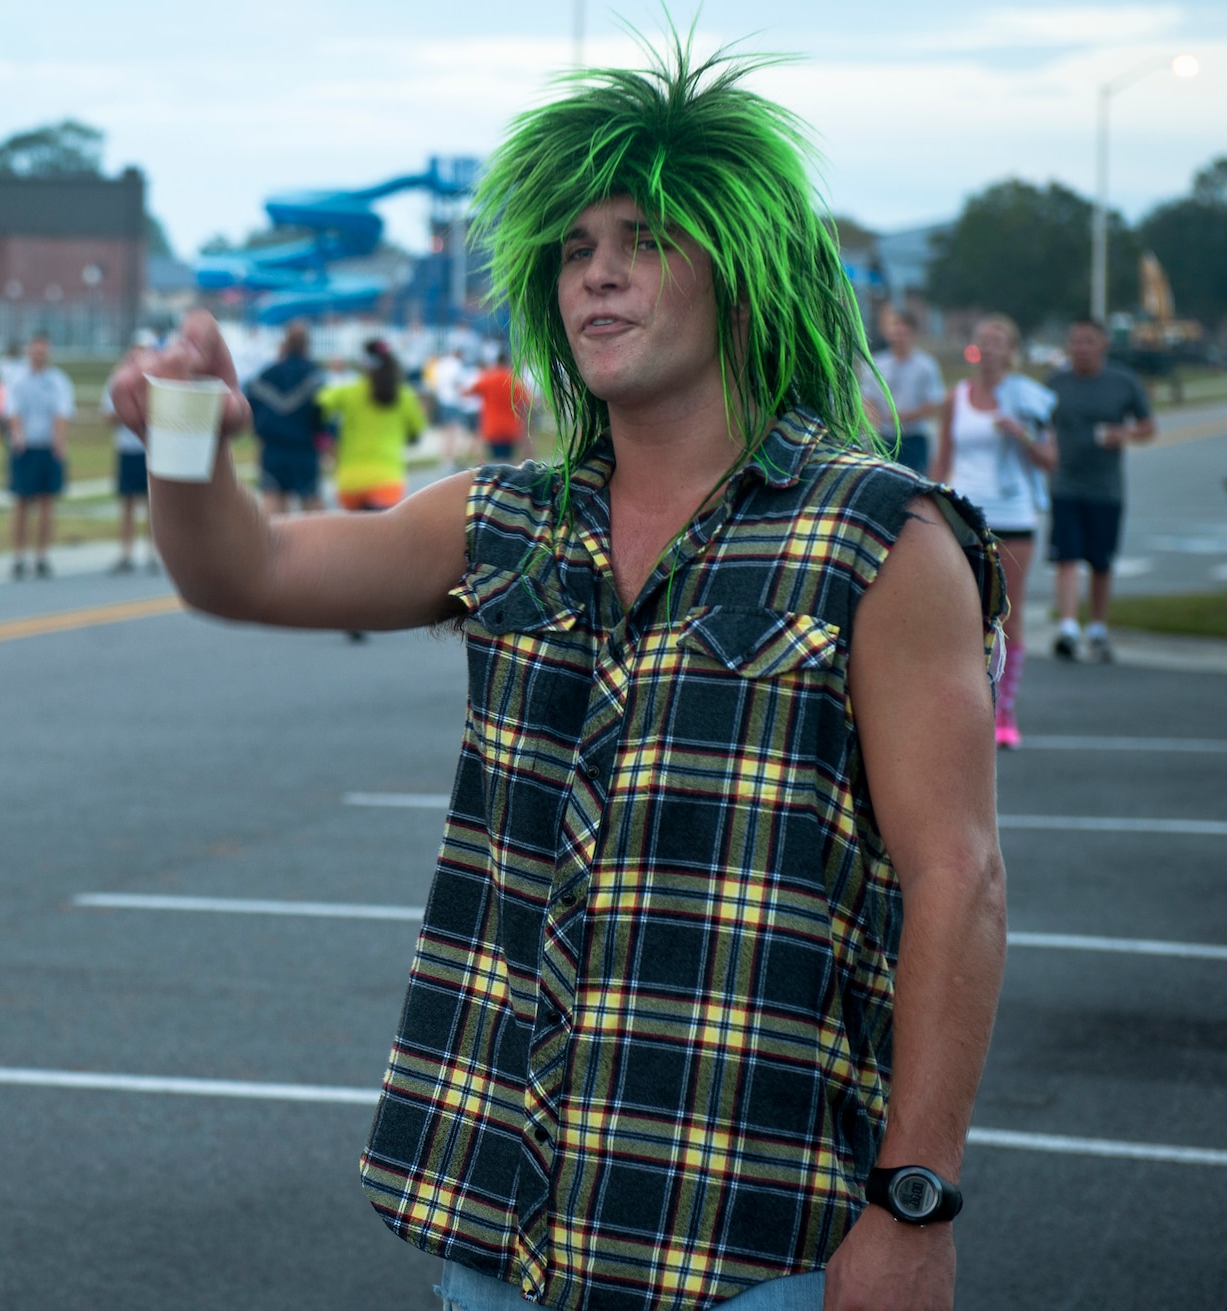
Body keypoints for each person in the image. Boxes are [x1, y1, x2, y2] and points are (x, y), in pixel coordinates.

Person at [112, 37, 1006, 1311]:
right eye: (573, 248)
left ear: (742, 265)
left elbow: (955, 877)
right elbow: (241, 573)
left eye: (641, 238)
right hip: (498, 1221)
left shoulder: (876, 536)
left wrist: (912, 1204)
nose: (596, 274)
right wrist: (188, 436)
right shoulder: (503, 521)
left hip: (745, 1225)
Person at [930, 314, 1055, 749]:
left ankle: (1004, 710)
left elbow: (1049, 459)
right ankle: (965, 705)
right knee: (963, 613)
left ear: (1011, 350)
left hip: (1014, 513)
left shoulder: (1027, 399)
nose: (989, 348)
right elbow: (942, 459)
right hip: (967, 515)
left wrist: (1022, 434)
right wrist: (929, 509)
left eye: (998, 341)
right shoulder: (956, 397)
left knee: (1008, 615)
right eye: (983, 340)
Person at [1046, 318, 1155, 663]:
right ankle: (1067, 628)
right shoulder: (1056, 383)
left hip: (1106, 488)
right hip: (1065, 483)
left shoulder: (1122, 382)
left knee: (1100, 561)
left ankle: (1097, 627)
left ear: (1103, 344)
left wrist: (1125, 434)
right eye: (1076, 341)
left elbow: (1148, 425)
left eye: (1088, 341)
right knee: (1066, 556)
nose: (1081, 347)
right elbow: (1040, 424)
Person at [318, 339, 426, 513]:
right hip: (387, 481)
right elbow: (416, 433)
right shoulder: (404, 395)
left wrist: (323, 440)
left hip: (350, 483)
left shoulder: (348, 392)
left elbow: (317, 406)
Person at [3, 331, 72, 579]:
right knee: (21, 503)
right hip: (25, 447)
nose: (40, 354)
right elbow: (12, 411)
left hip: (47, 446)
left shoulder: (57, 381)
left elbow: (62, 413)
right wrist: (18, 435)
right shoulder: (17, 379)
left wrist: (59, 441)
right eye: (36, 349)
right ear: (29, 350)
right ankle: (18, 555)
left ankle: (42, 555)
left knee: (46, 503)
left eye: (44, 349)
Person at [245, 320, 326, 514]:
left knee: (273, 508)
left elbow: (250, 406)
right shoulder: (315, 377)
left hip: (273, 450)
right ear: (307, 346)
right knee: (312, 507)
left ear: (284, 344)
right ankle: (315, 545)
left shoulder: (265, 376)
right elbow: (323, 414)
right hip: (304, 450)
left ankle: (275, 544)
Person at [863, 306, 944, 474]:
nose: (898, 334)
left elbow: (934, 403)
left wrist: (904, 417)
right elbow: (867, 399)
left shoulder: (926, 366)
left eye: (903, 329)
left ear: (912, 332)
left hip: (914, 438)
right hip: (884, 438)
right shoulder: (876, 364)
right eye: (894, 328)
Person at [104, 342, 154, 572]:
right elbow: (108, 417)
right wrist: (127, 410)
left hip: (150, 450)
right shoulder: (117, 384)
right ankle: (126, 552)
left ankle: (153, 552)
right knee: (127, 502)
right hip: (127, 447)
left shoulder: (156, 383)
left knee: (152, 503)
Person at [464, 345, 534, 464]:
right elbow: (528, 399)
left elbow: (468, 392)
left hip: (492, 427)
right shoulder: (514, 380)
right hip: (510, 427)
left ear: (496, 363)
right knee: (508, 459)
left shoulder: (488, 378)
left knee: (495, 459)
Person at [0, 340, 28, 446]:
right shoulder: (2, 363)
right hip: (4, 399)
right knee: (5, 423)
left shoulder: (23, 363)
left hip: (19, 398)